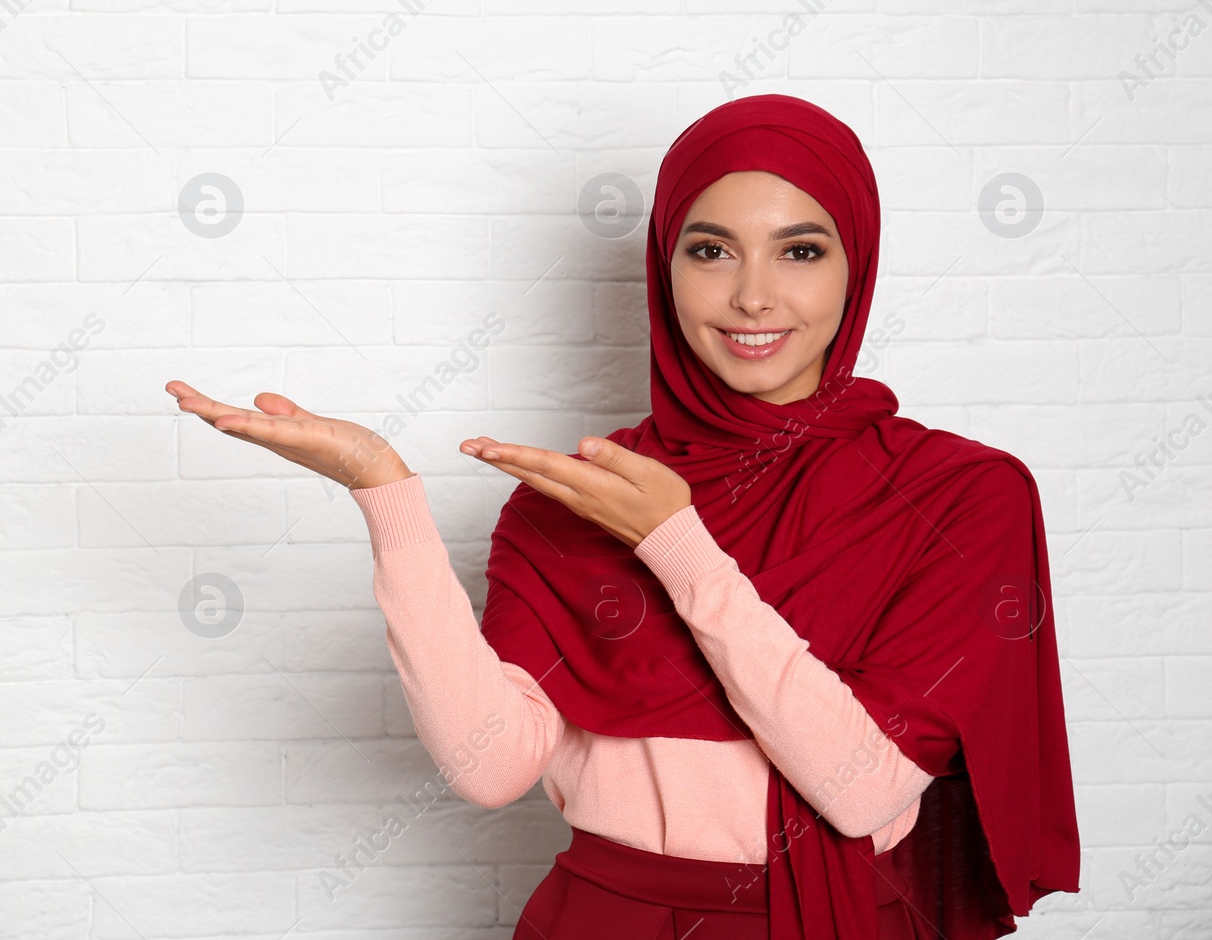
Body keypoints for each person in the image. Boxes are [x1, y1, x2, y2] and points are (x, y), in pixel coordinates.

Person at [166, 94, 1080, 939]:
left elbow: (864, 789)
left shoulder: (957, 493)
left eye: (800, 250)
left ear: (858, 266)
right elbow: (492, 766)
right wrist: (384, 491)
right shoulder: (574, 496)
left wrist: (674, 543)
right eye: (710, 249)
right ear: (664, 265)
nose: (753, 295)